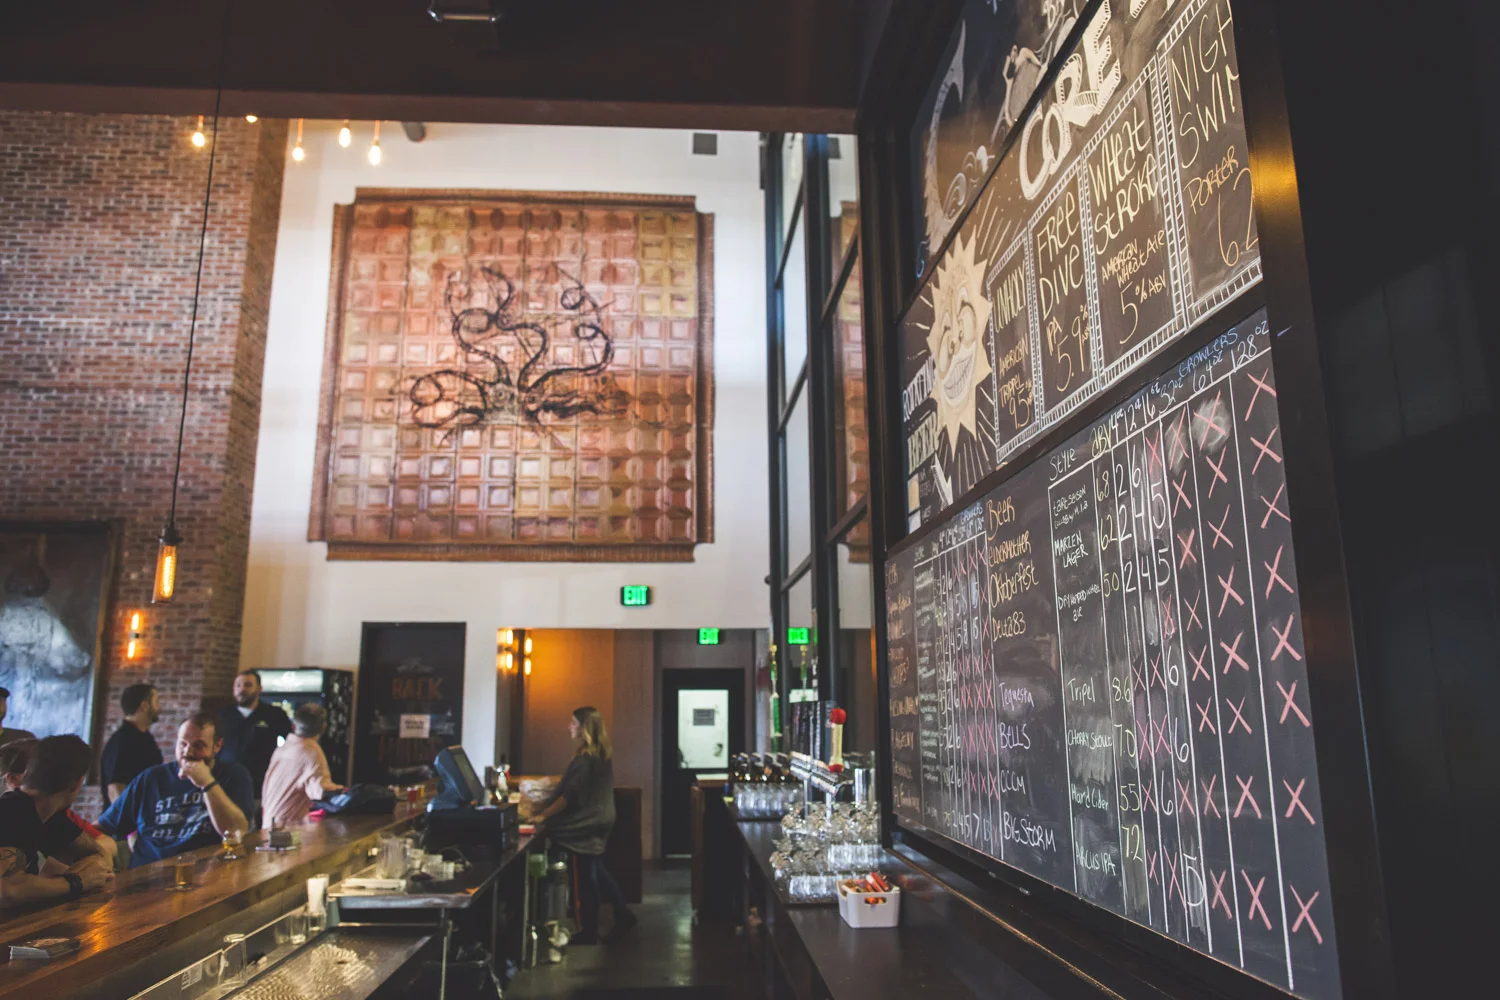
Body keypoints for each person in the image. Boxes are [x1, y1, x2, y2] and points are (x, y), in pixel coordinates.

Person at [532, 706, 637, 945]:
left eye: (573, 723)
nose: (568, 727)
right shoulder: (601, 754)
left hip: (586, 823)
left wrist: (543, 816)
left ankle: (589, 931)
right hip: (601, 819)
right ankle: (623, 913)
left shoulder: (584, 759)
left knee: (586, 877)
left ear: (584, 728)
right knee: (596, 868)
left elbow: (570, 795)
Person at [97, 713, 255, 868]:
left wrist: (207, 783)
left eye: (199, 746)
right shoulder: (151, 779)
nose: (188, 752)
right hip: (146, 873)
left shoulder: (234, 776)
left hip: (203, 874)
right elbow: (103, 826)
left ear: (217, 746)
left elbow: (236, 831)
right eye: (182, 744)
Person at [0, 735, 114, 909]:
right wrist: (75, 882)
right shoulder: (9, 811)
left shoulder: (50, 817)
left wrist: (87, 875)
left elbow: (97, 854)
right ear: (77, 783)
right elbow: (5, 892)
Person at [260, 703, 344, 828]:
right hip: (287, 829)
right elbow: (320, 791)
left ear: (293, 726)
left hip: (268, 822)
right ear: (323, 728)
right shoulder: (311, 751)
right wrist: (347, 792)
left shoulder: (283, 748)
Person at [216, 670, 292, 799]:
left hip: (261, 782)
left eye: (248, 685)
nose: (242, 689)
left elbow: (290, 744)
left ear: (259, 688)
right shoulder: (223, 715)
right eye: (238, 685)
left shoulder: (274, 714)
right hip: (226, 779)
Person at [99, 683, 163, 805]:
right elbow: (115, 789)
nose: (159, 708)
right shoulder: (122, 741)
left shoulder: (146, 739)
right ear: (144, 706)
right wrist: (129, 817)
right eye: (156, 702)